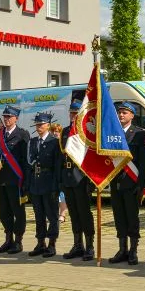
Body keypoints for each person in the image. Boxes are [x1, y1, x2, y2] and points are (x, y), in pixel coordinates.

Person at [108, 102, 145, 266]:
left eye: (125, 112)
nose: (121, 115)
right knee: (119, 216)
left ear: (132, 115)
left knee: (132, 217)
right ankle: (122, 249)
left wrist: (142, 184)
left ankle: (133, 250)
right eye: (120, 113)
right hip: (116, 181)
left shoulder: (140, 134)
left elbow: (144, 162)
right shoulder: (112, 134)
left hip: (131, 182)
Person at [60, 99, 95, 261]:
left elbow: (92, 158)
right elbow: (61, 157)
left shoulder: (86, 132)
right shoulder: (65, 131)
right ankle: (77, 244)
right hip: (67, 177)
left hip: (81, 178)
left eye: (76, 113)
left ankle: (89, 246)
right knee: (73, 213)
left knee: (84, 213)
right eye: (71, 113)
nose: (73, 116)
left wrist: (91, 181)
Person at [0, 105, 30, 254]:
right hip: (2, 178)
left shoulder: (22, 135)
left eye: (9, 117)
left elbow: (26, 161)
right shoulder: (0, 134)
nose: (7, 119)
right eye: (5, 116)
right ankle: (8, 239)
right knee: (4, 212)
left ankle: (18, 240)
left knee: (18, 212)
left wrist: (26, 182)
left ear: (16, 118)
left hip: (16, 180)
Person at [27, 111, 62, 258]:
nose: (38, 126)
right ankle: (40, 242)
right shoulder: (33, 142)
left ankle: (52, 244)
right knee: (39, 215)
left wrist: (56, 187)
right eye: (37, 124)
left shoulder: (54, 142)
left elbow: (57, 167)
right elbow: (28, 164)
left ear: (48, 125)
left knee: (52, 215)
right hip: (36, 182)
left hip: (49, 183)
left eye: (41, 124)